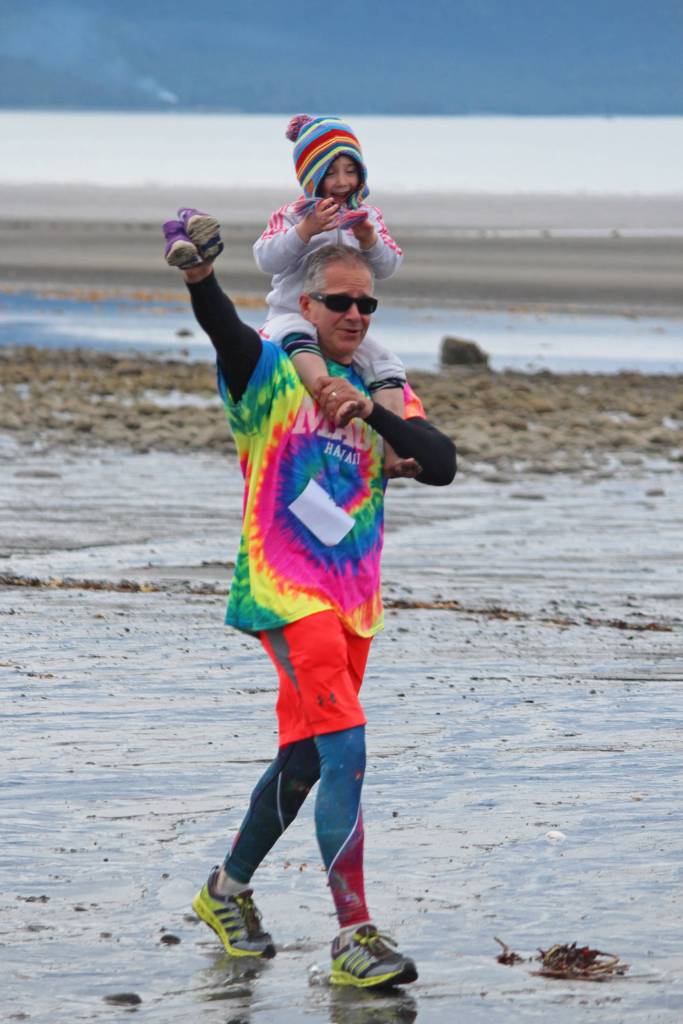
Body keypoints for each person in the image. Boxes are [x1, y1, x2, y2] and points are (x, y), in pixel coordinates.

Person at [165, 224, 456, 988]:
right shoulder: (268, 370)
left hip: (354, 602)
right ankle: (354, 935)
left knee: (303, 759)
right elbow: (225, 332)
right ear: (305, 303)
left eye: (366, 302)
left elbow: (443, 463)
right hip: (285, 591)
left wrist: (379, 418)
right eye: (338, 302)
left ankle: (223, 891)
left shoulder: (383, 385)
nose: (355, 314)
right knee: (347, 749)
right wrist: (199, 277)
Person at [164, 113, 409, 475]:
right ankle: (325, 390)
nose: (341, 182)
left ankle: (394, 452)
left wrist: (370, 241)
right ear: (310, 176)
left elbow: (388, 266)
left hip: (345, 321)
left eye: (350, 170)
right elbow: (266, 259)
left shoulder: (367, 215)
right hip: (291, 315)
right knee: (298, 338)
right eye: (330, 172)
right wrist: (306, 231)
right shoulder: (293, 214)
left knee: (388, 365)